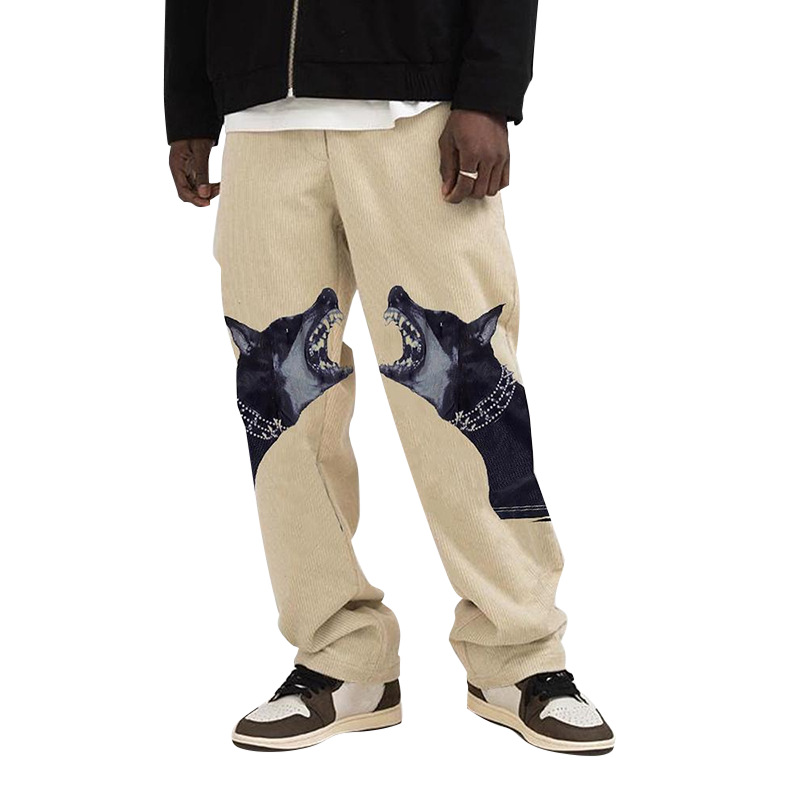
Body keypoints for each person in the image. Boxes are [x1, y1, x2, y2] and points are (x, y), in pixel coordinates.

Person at [165, 0, 614, 755]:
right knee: (281, 411)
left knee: (470, 396)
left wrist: (489, 94)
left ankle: (521, 656)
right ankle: (340, 659)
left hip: (417, 115)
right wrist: (189, 106)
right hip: (261, 121)